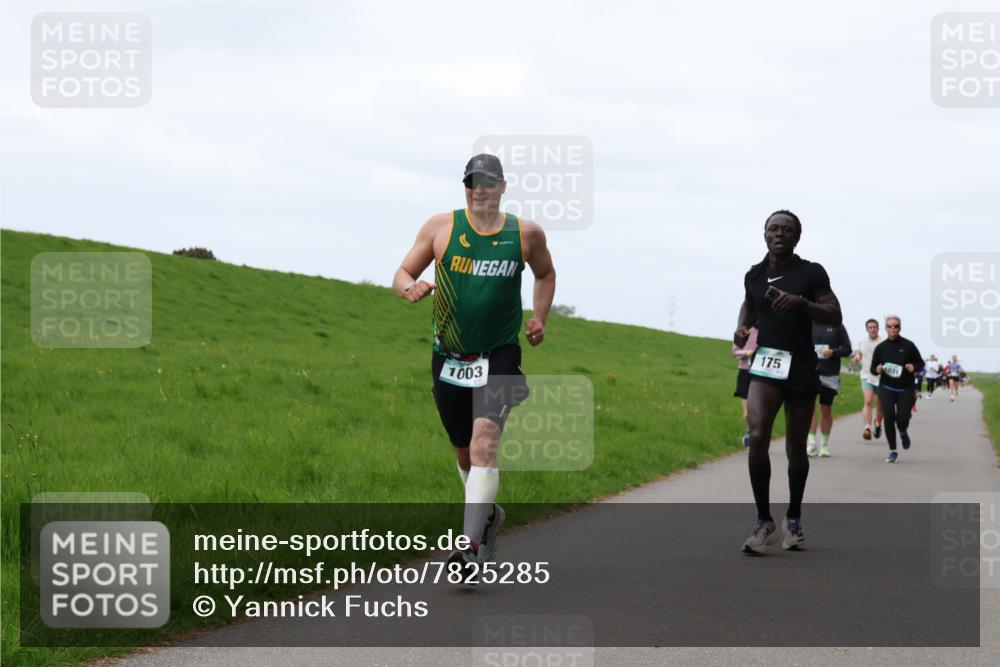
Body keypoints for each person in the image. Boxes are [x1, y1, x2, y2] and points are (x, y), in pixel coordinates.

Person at [393, 154, 556, 573]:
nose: (478, 189)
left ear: (503, 186)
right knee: (465, 455)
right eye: (471, 182)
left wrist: (539, 317)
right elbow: (402, 272)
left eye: (486, 182)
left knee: (485, 443)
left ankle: (468, 547)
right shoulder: (441, 227)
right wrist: (410, 287)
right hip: (448, 356)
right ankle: (487, 515)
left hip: (500, 353)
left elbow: (545, 274)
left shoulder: (526, 234)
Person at [733, 210, 843, 555]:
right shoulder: (754, 274)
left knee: (796, 449)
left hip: (801, 367)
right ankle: (764, 521)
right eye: (773, 229)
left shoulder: (810, 272)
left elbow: (834, 314)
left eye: (787, 230)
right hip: (766, 365)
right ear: (764, 234)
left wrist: (802, 303)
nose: (779, 234)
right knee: (759, 435)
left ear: (797, 237)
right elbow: (749, 307)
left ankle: (793, 518)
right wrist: (742, 329)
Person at [870, 316, 924, 463]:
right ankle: (892, 450)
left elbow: (921, 363)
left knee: (902, 419)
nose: (893, 328)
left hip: (905, 388)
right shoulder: (880, 348)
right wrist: (878, 368)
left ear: (900, 328)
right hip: (886, 387)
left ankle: (902, 430)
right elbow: (873, 369)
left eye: (896, 326)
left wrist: (914, 367)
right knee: (888, 417)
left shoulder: (908, 345)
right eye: (890, 326)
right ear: (886, 328)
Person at [807, 322, 852, 457]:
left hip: (830, 373)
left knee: (825, 409)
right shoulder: (808, 323)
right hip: (810, 372)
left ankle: (824, 445)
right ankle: (811, 444)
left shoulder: (837, 325)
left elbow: (847, 349)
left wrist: (833, 352)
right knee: (809, 408)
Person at [853, 319, 885, 441]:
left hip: (882, 377)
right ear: (867, 329)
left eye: (875, 327)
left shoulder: (883, 341)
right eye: (870, 327)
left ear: (878, 328)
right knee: (868, 401)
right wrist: (857, 357)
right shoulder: (862, 342)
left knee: (880, 406)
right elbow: (859, 354)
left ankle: (878, 424)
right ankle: (867, 428)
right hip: (867, 376)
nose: (873, 329)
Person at [732, 326, 759, 448]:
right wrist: (747, 353)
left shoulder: (765, 329)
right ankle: (750, 432)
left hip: (760, 373)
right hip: (745, 372)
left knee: (758, 411)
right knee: (747, 412)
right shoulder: (745, 330)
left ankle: (756, 435)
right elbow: (734, 351)